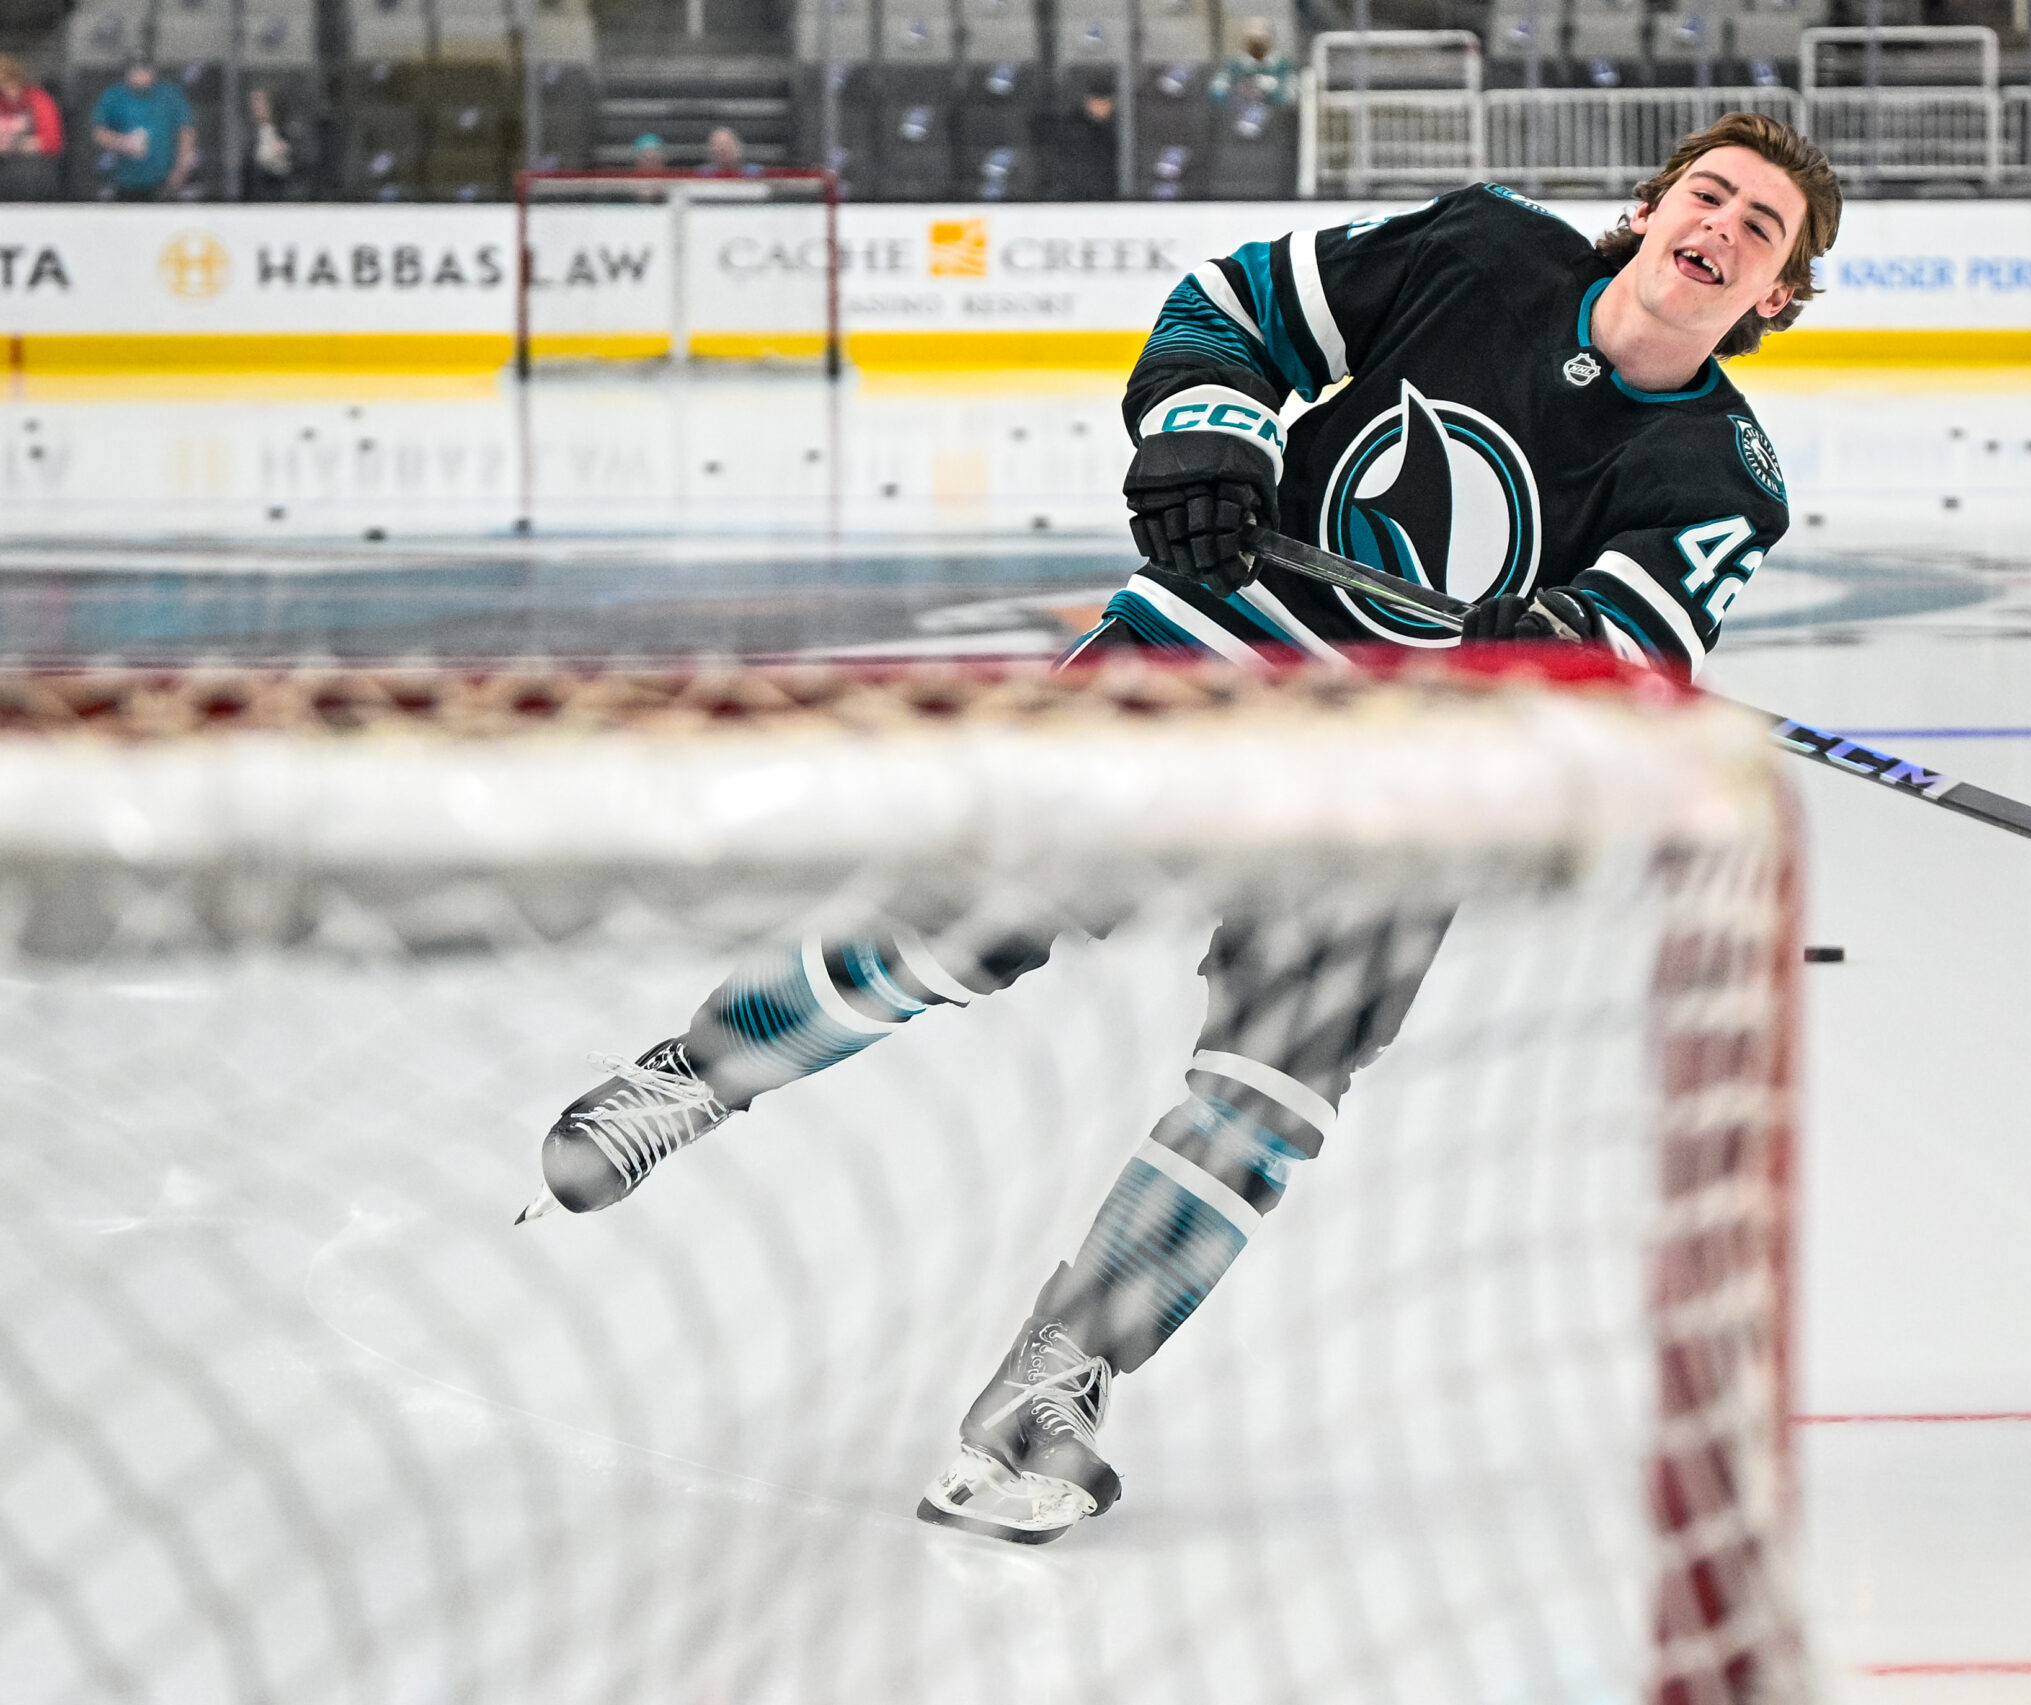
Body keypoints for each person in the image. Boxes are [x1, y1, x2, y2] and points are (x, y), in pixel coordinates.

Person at [520, 112, 1841, 1546]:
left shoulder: (1724, 476)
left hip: (1413, 782)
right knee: (963, 919)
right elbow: (1233, 307)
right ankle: (690, 1078)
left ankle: (1052, 1387)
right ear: (1652, 206)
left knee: (1269, 1098)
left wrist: (1565, 647)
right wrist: (1211, 432)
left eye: (1760, 229)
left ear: (1774, 296)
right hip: (1217, 649)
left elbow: (1640, 655)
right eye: (1707, 194)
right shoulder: (1484, 247)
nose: (1720, 226)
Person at [89, 57, 192, 200]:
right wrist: (123, 143)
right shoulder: (114, 96)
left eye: (145, 70)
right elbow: (99, 133)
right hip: (124, 181)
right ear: (128, 73)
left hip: (163, 180)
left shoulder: (170, 96)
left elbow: (185, 133)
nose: (141, 75)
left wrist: (180, 170)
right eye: (136, 71)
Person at [0, 56, 63, 200]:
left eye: (10, 85)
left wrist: (15, 144)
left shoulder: (39, 100)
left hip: (34, 175)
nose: (8, 92)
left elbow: (52, 142)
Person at [240, 86, 310, 200]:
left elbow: (305, 163)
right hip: (256, 201)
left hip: (285, 198)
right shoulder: (247, 137)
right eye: (253, 102)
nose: (256, 107)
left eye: (260, 101)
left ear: (271, 103)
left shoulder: (289, 133)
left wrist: (287, 150)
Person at [1211, 16, 1297, 106]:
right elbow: (1218, 90)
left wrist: (1269, 90)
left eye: (1261, 39)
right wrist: (1239, 91)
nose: (1257, 44)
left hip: (1275, 117)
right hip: (1238, 115)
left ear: (1269, 40)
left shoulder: (1282, 66)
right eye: (1252, 39)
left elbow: (1291, 95)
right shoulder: (1234, 65)